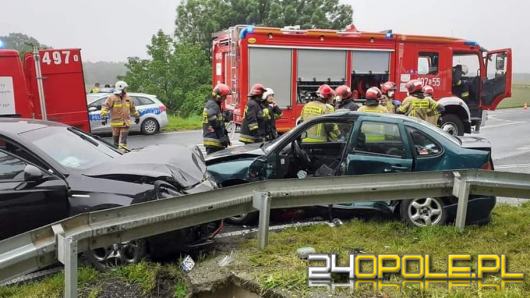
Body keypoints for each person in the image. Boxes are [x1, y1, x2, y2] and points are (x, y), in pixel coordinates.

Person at [100, 81, 139, 150]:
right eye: (125, 88)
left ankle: (123, 154)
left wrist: (137, 116)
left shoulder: (128, 98)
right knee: (116, 142)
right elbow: (105, 107)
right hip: (115, 124)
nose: (126, 90)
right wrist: (103, 117)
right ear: (121, 88)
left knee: (123, 141)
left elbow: (133, 109)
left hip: (125, 123)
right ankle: (116, 154)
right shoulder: (112, 98)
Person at [202, 83, 231, 154]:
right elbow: (214, 122)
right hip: (214, 141)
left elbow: (217, 119)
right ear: (218, 96)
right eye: (224, 96)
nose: (225, 98)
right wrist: (222, 137)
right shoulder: (213, 105)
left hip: (213, 140)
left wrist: (224, 116)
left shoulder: (212, 104)